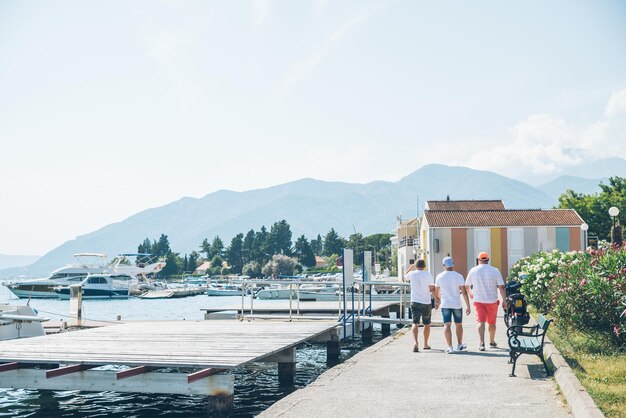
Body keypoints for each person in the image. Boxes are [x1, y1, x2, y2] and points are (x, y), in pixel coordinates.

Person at [465, 252, 507, 351]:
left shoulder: (473, 270)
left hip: (478, 300)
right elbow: (501, 287)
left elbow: (467, 285)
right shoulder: (495, 270)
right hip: (492, 300)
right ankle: (492, 342)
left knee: (481, 321)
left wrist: (470, 293)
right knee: (492, 323)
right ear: (488, 260)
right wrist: (504, 300)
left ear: (478, 260)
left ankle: (482, 343)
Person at [434, 256, 471, 354]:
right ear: (453, 264)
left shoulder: (439, 276)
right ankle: (459, 344)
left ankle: (450, 347)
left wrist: (437, 301)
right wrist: (468, 306)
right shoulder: (459, 276)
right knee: (458, 324)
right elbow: (464, 292)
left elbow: (436, 291)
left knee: (447, 325)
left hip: (445, 303)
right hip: (457, 304)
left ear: (443, 265)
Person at [404, 259, 437, 352]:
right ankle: (426, 344)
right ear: (424, 266)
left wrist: (411, 267)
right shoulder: (428, 274)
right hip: (426, 302)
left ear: (416, 265)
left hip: (414, 301)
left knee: (415, 323)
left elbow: (404, 276)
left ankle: (415, 343)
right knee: (427, 324)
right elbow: (432, 288)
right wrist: (437, 299)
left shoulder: (412, 274)